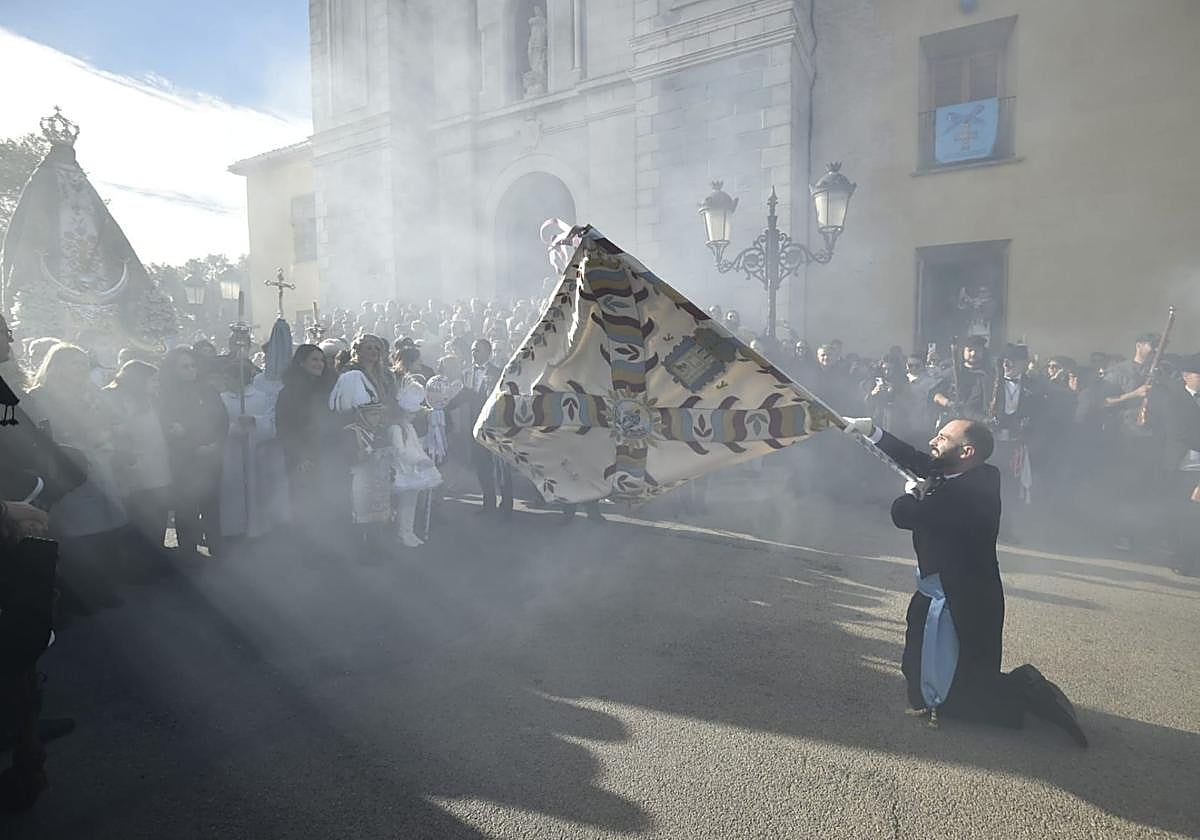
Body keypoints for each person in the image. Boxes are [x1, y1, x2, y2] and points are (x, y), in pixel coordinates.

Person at [841, 414, 1087, 746]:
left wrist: (914, 495)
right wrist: (872, 431)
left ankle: (1027, 690)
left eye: (942, 438)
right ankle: (948, 692)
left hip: (966, 598)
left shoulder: (973, 491)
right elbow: (915, 458)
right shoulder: (962, 469)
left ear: (967, 452)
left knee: (971, 696)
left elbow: (905, 515)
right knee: (918, 677)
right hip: (939, 588)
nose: (933, 441)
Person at [24, 344, 128, 605]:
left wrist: (107, 431)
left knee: (106, 532)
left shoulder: (90, 394)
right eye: (74, 364)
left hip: (99, 465)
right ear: (56, 366)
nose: (81, 370)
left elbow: (112, 420)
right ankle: (79, 596)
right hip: (67, 470)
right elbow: (38, 434)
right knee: (77, 535)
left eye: (83, 364)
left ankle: (105, 589)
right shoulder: (37, 397)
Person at [157, 347, 228, 561]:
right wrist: (194, 444)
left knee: (211, 504)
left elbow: (222, 419)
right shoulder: (165, 396)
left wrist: (216, 442)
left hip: (211, 457)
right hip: (185, 461)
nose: (191, 370)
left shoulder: (207, 391)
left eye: (193, 365)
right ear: (173, 369)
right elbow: (169, 428)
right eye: (184, 366)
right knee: (186, 507)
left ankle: (216, 545)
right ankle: (188, 553)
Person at [104, 360, 172, 575]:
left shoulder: (153, 400)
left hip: (159, 468)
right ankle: (136, 569)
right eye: (152, 380)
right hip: (135, 473)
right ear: (138, 380)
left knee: (158, 519)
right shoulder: (114, 400)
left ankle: (156, 562)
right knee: (139, 523)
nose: (157, 384)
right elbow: (114, 434)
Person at [1102, 332, 1167, 551]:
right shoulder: (1119, 371)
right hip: (1126, 439)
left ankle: (1146, 535)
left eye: (1160, 346)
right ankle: (1121, 534)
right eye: (1153, 345)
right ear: (1139, 345)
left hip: (1154, 440)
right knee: (1125, 490)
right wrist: (1134, 394)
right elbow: (1103, 401)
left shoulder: (1163, 372)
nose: (1157, 350)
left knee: (1149, 490)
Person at [275, 344, 339, 544]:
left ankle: (327, 544)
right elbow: (285, 429)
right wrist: (299, 456)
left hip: (326, 454)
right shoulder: (288, 393)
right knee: (305, 503)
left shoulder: (329, 388)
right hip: (302, 457)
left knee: (327, 502)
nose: (319, 364)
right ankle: (307, 547)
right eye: (314, 359)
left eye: (321, 360)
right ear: (301, 363)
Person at [452, 338, 513, 514]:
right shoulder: (466, 373)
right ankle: (488, 503)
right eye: (472, 350)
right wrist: (443, 405)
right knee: (482, 465)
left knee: (501, 467)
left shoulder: (499, 373)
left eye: (477, 350)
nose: (473, 353)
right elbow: (462, 396)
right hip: (476, 426)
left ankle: (507, 505)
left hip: (495, 427)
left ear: (488, 352)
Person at [392, 375, 442, 547]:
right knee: (404, 503)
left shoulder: (408, 426)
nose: (414, 416)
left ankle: (409, 531)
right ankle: (402, 532)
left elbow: (416, 446)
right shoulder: (396, 428)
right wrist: (419, 460)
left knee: (411, 502)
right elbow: (401, 450)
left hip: (413, 469)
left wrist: (425, 457)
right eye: (411, 413)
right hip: (403, 469)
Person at [1162, 353, 1200, 577]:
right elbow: (1181, 432)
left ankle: (1187, 559)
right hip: (1181, 466)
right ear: (1186, 376)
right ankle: (1181, 557)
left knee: (1194, 516)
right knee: (1182, 515)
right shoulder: (1174, 399)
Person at [932, 336, 992, 423]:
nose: (973, 354)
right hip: (953, 420)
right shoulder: (951, 373)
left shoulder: (989, 374)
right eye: (970, 350)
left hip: (980, 422)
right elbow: (936, 395)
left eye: (977, 351)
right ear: (963, 351)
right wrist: (949, 403)